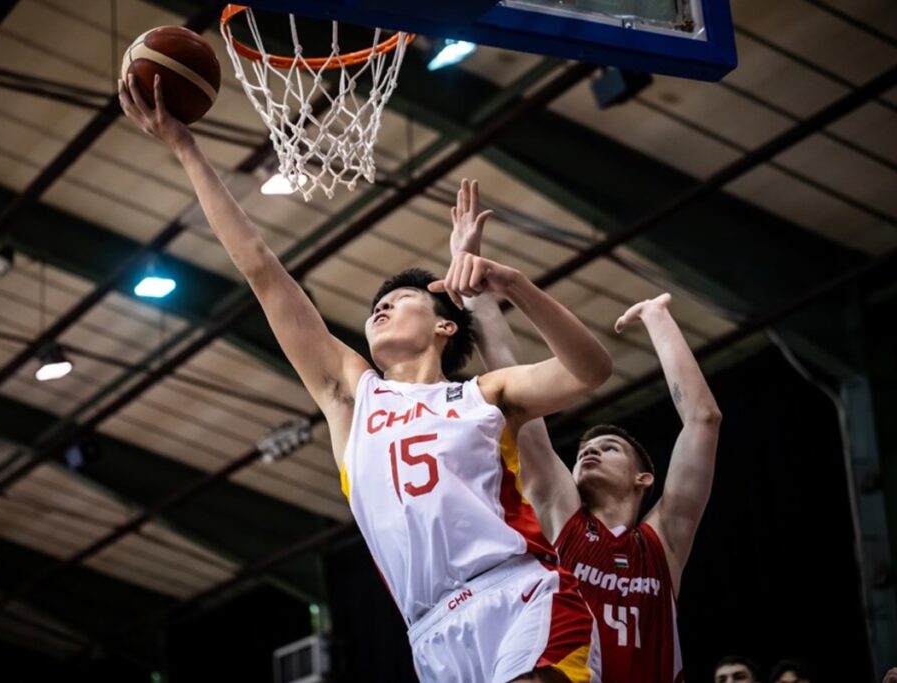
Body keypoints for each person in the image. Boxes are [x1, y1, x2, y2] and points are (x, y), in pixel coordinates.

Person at [119, 75, 613, 682]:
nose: (379, 306)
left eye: (401, 298)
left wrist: (513, 286)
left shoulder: (484, 396)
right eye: (375, 303)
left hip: (518, 598)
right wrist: (186, 149)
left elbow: (592, 369)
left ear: (444, 328)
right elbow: (260, 268)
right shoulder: (353, 395)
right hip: (428, 632)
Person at [451, 180, 721, 683]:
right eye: (585, 449)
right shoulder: (563, 515)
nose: (589, 452)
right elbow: (510, 384)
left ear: (645, 479)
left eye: (609, 447)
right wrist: (475, 293)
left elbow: (703, 421)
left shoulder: (663, 542)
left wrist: (657, 317)